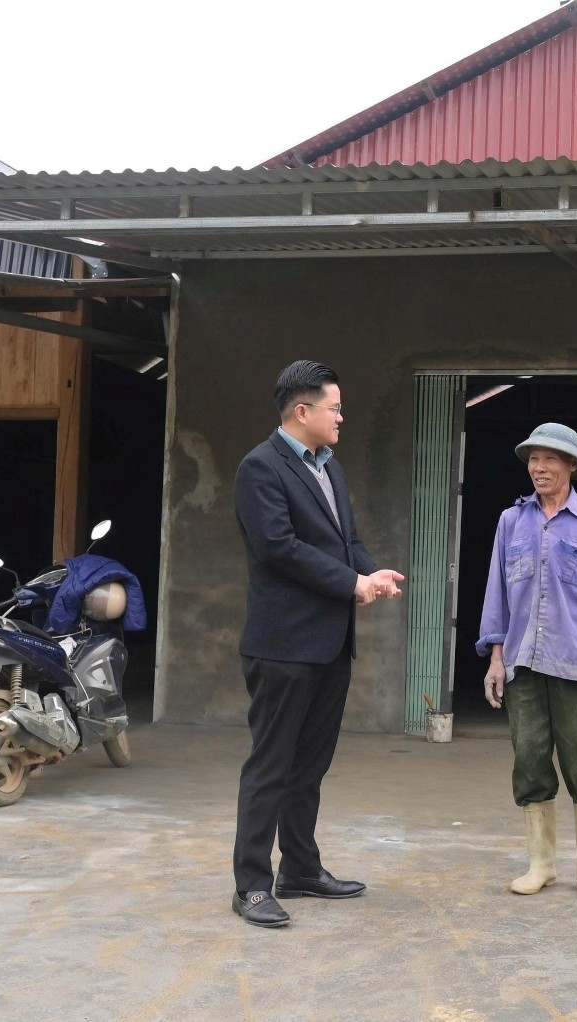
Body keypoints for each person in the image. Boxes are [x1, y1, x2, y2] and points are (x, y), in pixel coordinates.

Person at [230, 359, 405, 929]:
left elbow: (346, 540)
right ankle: (252, 885)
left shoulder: (330, 467)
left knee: (309, 766)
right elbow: (278, 547)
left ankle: (301, 869)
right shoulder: (260, 468)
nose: (341, 417)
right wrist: (352, 583)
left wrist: (371, 573)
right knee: (271, 766)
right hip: (283, 645)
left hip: (329, 643)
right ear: (301, 411)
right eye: (334, 407)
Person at [478, 422, 577, 901]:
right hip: (522, 662)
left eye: (549, 459)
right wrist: (496, 657)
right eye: (533, 459)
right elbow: (497, 594)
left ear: (571, 466)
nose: (538, 468)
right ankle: (540, 865)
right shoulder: (510, 522)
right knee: (529, 760)